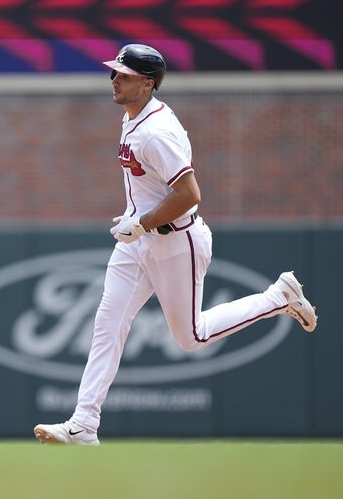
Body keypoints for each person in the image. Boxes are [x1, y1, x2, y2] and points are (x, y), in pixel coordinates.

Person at [33, 44, 318, 446]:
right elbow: (148, 185)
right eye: (114, 72)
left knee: (191, 338)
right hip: (139, 241)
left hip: (175, 240)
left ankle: (278, 297)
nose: (114, 79)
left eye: (124, 75)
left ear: (147, 84)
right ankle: (84, 423)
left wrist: (144, 221)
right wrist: (135, 216)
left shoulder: (156, 132)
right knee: (107, 324)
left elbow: (189, 193)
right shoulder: (132, 116)